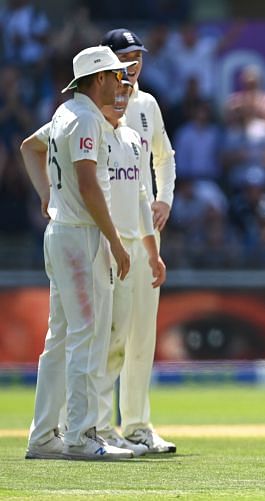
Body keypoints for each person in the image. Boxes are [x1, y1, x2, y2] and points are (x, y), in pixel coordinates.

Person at [22, 79, 168, 456]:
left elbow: (29, 147)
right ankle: (82, 436)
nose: (122, 87)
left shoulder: (64, 113)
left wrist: (47, 195)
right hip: (82, 237)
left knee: (60, 339)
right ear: (98, 79)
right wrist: (116, 243)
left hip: (63, 233)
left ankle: (43, 436)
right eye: (115, 79)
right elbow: (89, 187)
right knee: (89, 337)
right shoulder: (86, 119)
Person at [100, 28, 177, 453]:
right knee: (109, 332)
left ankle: (136, 425)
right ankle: (96, 424)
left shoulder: (146, 104)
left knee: (142, 332)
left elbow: (164, 157)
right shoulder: (96, 106)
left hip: (145, 233)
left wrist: (164, 199)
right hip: (108, 232)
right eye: (124, 56)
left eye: (137, 56)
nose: (133, 64)